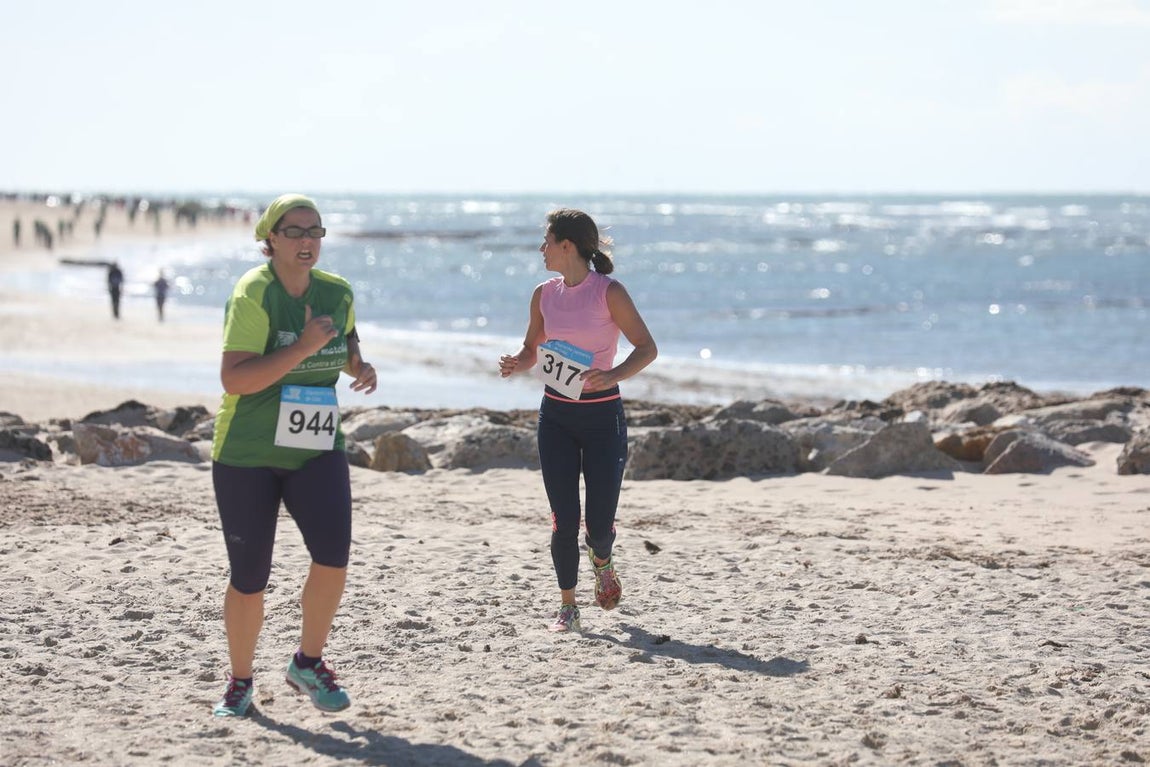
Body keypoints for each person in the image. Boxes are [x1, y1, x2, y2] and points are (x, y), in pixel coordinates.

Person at [210, 193, 378, 717]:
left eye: (315, 231)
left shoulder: (337, 291)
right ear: (272, 238)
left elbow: (345, 342)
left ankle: (308, 662)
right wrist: (301, 348)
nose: (307, 241)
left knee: (333, 557)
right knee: (250, 576)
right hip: (249, 451)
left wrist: (359, 367)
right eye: (295, 231)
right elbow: (235, 379)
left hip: (315, 445)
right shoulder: (254, 292)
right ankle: (240, 682)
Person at [499, 209, 658, 632]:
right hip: (556, 418)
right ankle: (568, 607)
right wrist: (517, 362)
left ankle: (602, 560)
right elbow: (532, 349)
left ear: (567, 246)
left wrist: (613, 374)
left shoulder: (609, 293)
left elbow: (646, 348)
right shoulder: (543, 294)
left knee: (599, 527)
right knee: (564, 520)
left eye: (547, 241)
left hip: (603, 418)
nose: (542, 249)